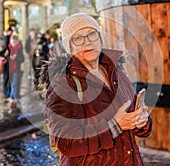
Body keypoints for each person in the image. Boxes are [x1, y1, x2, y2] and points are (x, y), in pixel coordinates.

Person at [36, 13, 152, 165]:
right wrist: (114, 127)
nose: (87, 42)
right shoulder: (63, 85)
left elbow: (132, 120)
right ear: (69, 46)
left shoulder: (117, 73)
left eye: (92, 34)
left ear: (100, 38)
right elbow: (66, 143)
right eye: (78, 38)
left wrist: (142, 121)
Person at [8, 32, 24, 100]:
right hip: (9, 69)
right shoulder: (8, 48)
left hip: (16, 69)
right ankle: (12, 95)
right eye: (12, 40)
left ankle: (13, 96)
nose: (14, 41)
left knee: (14, 83)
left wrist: (16, 58)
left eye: (15, 40)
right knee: (11, 83)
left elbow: (22, 59)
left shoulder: (19, 48)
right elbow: (1, 54)